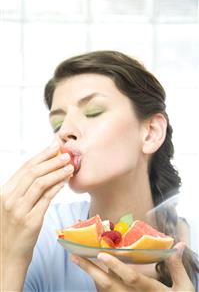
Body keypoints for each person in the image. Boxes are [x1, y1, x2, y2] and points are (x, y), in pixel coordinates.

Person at [1, 50, 198, 292]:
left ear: (151, 133)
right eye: (58, 124)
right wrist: (9, 257)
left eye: (93, 112)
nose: (65, 132)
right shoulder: (39, 234)